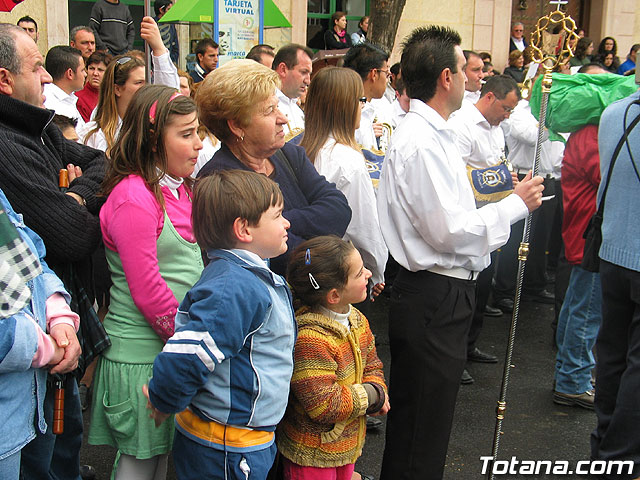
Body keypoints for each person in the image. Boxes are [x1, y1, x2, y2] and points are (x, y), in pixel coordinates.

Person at [376, 25, 544, 480]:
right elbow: (449, 231)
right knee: (420, 430)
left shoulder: (439, 133)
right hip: (433, 291)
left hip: (443, 291)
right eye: (466, 68)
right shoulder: (423, 141)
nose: (476, 78)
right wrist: (514, 205)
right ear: (446, 77)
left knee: (426, 425)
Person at [0, 22, 105, 480]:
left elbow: (102, 162)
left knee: (63, 445)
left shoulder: (36, 128)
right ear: (4, 79)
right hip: (26, 370)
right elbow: (71, 237)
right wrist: (46, 343)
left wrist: (74, 194)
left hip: (56, 332)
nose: (48, 77)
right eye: (38, 66)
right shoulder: (7, 143)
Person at [144, 169, 296, 480]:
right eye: (277, 215)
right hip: (226, 446)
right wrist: (165, 398)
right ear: (244, 229)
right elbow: (188, 354)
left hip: (240, 440)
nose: (287, 223)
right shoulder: (235, 288)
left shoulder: (245, 277)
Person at [88, 85, 204, 479]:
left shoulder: (180, 189)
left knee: (157, 462)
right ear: (153, 138)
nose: (199, 144)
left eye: (198, 131)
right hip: (140, 357)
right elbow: (148, 290)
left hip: (167, 353)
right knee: (139, 465)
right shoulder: (133, 198)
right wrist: (190, 342)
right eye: (186, 134)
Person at [196, 59, 351, 276]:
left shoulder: (289, 154)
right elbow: (289, 259)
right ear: (237, 125)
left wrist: (282, 220)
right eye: (270, 110)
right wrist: (311, 226)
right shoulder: (221, 181)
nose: (283, 118)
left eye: (278, 106)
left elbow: (339, 209)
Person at [277, 235, 389, 479]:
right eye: (359, 273)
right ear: (334, 296)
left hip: (345, 447)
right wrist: (372, 395)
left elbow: (373, 364)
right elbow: (324, 405)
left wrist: (377, 387)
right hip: (312, 455)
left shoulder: (357, 319)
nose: (368, 274)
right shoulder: (311, 339)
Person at [0, 188, 80, 479]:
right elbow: (74, 235)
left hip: (28, 408)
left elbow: (32, 256)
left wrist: (59, 315)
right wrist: (48, 349)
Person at [448, 75, 522, 384]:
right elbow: (460, 173)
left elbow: (496, 166)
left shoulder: (496, 128)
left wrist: (508, 181)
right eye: (505, 108)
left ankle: (470, 345)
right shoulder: (462, 124)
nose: (507, 116)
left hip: (494, 214)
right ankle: (455, 355)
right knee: (465, 293)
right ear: (489, 97)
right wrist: (502, 181)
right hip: (469, 217)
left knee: (483, 287)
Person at [301, 66, 388, 292]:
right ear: (345, 105)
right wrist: (376, 271)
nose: (363, 106)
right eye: (360, 99)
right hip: (340, 274)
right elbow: (363, 228)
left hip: (305, 267)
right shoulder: (347, 159)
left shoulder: (298, 148)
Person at [591, 89, 640, 479]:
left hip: (612, 251)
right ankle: (621, 458)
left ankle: (604, 443)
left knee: (612, 354)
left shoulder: (614, 112)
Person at [78, 16, 179, 152]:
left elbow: (169, 97)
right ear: (117, 89)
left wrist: (159, 49)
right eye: (139, 83)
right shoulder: (92, 134)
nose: (146, 88)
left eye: (147, 82)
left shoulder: (149, 128)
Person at [344, 42, 392, 151]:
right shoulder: (351, 115)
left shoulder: (368, 110)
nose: (387, 80)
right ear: (373, 74)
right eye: (386, 74)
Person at [272, 44, 313, 135]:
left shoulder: (298, 109)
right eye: (303, 72)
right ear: (283, 69)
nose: (308, 81)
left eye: (309, 74)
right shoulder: (263, 105)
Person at [43, 45, 87, 127]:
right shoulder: (51, 106)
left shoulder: (69, 97)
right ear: (70, 73)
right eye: (82, 70)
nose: (85, 74)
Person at [75, 51, 110, 122]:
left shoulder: (115, 95)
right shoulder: (78, 98)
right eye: (91, 68)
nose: (95, 73)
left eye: (100, 70)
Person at [154, 0, 179, 64]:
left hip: (170, 63)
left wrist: (173, 60)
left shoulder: (171, 25)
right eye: (169, 9)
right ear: (161, 10)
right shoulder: (153, 24)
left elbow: (175, 45)